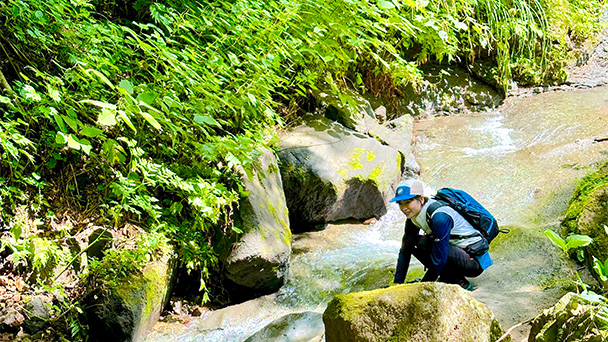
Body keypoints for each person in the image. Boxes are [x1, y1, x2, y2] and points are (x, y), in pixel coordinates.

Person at [391, 178, 492, 290]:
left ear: (420, 199)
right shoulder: (413, 217)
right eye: (400, 203)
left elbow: (439, 258)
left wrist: (423, 287)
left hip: (474, 261)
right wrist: (397, 284)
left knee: (427, 244)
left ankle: (458, 281)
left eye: (408, 202)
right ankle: (449, 277)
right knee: (413, 242)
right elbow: (405, 249)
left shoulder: (439, 216)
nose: (404, 208)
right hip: (456, 253)